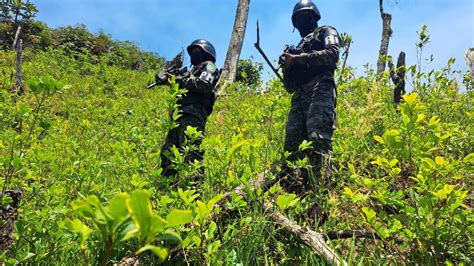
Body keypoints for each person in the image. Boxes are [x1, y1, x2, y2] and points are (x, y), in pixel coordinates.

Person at [278, 0, 340, 195]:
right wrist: (288, 67)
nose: (302, 22)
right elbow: (289, 87)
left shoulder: (325, 31)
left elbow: (333, 54)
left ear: (314, 16)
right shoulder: (296, 46)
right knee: (292, 147)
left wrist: (300, 58)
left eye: (305, 16)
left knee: (317, 139)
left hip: (320, 87)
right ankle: (294, 194)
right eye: (298, 19)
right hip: (299, 96)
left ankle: (321, 194)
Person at [159, 39, 219, 185]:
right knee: (169, 154)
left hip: (194, 116)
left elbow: (202, 84)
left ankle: (195, 194)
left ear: (206, 53)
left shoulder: (209, 67)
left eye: (197, 51)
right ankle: (167, 190)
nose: (193, 55)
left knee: (193, 155)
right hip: (178, 116)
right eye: (192, 52)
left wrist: (178, 80)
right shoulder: (189, 72)